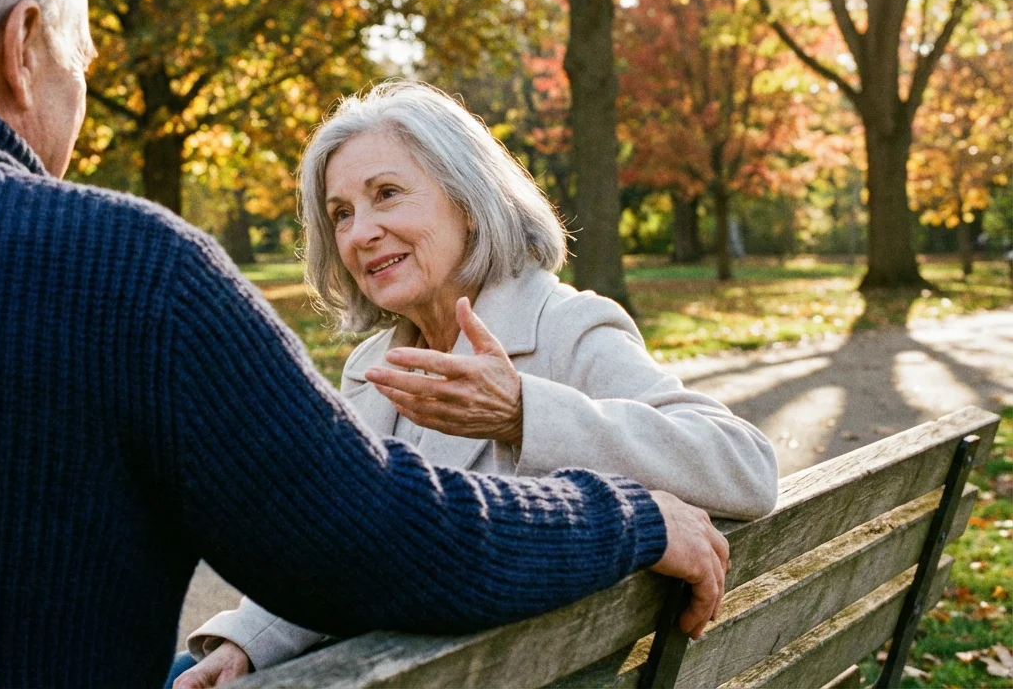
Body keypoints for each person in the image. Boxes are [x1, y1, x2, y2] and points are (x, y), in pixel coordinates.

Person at [0, 0, 730, 686]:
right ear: (23, 47)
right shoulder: (122, 269)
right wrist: (623, 514)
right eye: (77, 54)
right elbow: (366, 538)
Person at [177, 82, 776, 688]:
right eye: (342, 214)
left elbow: (744, 464)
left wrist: (523, 412)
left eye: (387, 194)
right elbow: (343, 540)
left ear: (468, 201)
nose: (361, 233)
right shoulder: (370, 368)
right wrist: (247, 645)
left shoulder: (561, 326)